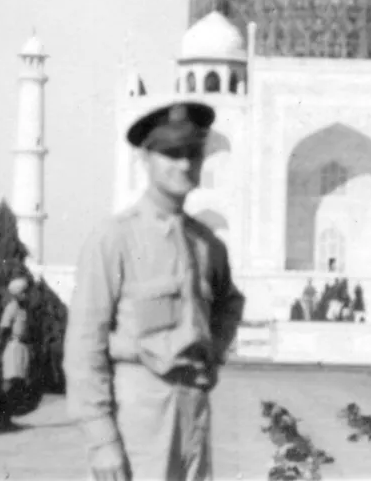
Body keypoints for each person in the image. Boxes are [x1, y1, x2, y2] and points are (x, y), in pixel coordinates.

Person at [65, 100, 246, 481]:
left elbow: (229, 303)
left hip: (192, 409)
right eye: (171, 153)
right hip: (137, 414)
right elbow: (84, 346)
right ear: (145, 158)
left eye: (193, 154)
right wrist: (101, 440)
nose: (184, 164)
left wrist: (213, 352)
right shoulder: (114, 238)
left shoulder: (207, 245)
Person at [0, 276, 33, 433]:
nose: (26, 295)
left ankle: (8, 420)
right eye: (24, 293)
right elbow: (3, 329)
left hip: (22, 348)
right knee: (9, 384)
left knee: (17, 385)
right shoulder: (12, 307)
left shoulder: (24, 309)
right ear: (17, 294)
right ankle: (1, 421)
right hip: (12, 347)